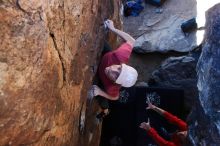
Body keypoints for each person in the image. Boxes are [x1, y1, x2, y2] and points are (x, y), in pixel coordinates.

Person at [92, 19, 138, 120]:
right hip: (106, 55)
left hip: (102, 79)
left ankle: (105, 110)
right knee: (97, 38)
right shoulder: (121, 56)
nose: (112, 70)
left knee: (99, 95)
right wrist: (113, 29)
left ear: (116, 82)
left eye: (116, 76)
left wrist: (100, 92)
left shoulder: (112, 87)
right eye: (119, 68)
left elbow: (115, 97)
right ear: (122, 64)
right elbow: (131, 41)